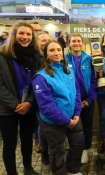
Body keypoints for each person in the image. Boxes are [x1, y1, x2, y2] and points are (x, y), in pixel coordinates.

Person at [0, 21, 41, 175]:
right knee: (9, 143)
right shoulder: (2, 55)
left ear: (32, 37)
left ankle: (28, 168)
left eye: (28, 34)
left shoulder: (36, 56)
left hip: (28, 106)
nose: (25, 37)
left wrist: (29, 102)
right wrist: (17, 104)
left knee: (27, 140)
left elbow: (39, 83)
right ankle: (12, 172)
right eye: (21, 33)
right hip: (6, 109)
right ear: (14, 35)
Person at [32, 40, 84, 175]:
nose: (56, 53)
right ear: (46, 55)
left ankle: (72, 170)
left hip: (73, 117)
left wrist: (77, 112)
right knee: (57, 152)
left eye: (59, 50)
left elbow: (76, 93)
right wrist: (67, 122)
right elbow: (46, 107)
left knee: (78, 144)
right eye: (52, 50)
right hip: (53, 122)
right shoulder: (41, 77)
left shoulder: (69, 71)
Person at [66, 34, 97, 164]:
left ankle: (86, 149)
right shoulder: (64, 59)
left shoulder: (89, 59)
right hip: (72, 100)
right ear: (69, 44)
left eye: (79, 41)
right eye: (74, 41)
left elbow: (94, 79)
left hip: (87, 99)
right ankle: (75, 149)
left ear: (82, 43)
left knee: (87, 126)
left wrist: (90, 99)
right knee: (73, 127)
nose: (76, 43)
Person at [35, 31, 51, 164]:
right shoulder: (35, 59)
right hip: (39, 96)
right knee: (42, 125)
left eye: (47, 40)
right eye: (43, 40)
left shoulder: (50, 56)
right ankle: (44, 150)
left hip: (52, 95)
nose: (45, 43)